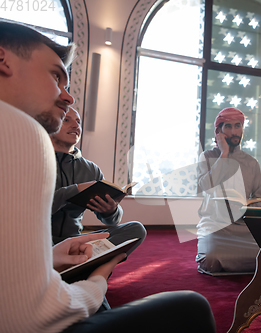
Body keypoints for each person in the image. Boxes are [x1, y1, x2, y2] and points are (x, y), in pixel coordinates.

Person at [0, 21, 216, 333]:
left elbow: (113, 222)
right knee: (192, 308)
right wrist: (98, 281)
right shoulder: (23, 133)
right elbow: (30, 316)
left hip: (63, 246)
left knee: (132, 230)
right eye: (55, 76)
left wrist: (102, 214)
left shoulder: (88, 167)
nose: (68, 98)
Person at [51, 106, 146, 255]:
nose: (76, 126)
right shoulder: (39, 161)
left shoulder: (90, 169)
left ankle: (77, 264)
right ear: (51, 125)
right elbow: (36, 209)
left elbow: (112, 221)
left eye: (78, 121)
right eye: (66, 120)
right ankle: (85, 266)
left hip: (75, 241)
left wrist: (111, 211)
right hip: (42, 241)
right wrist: (76, 190)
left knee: (136, 229)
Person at [196, 107, 261, 275]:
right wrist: (224, 154)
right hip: (215, 225)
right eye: (228, 126)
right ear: (219, 130)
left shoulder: (252, 162)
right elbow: (206, 186)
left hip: (243, 226)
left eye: (237, 126)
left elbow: (259, 198)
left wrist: (247, 206)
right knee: (212, 260)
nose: (234, 131)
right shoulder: (207, 156)